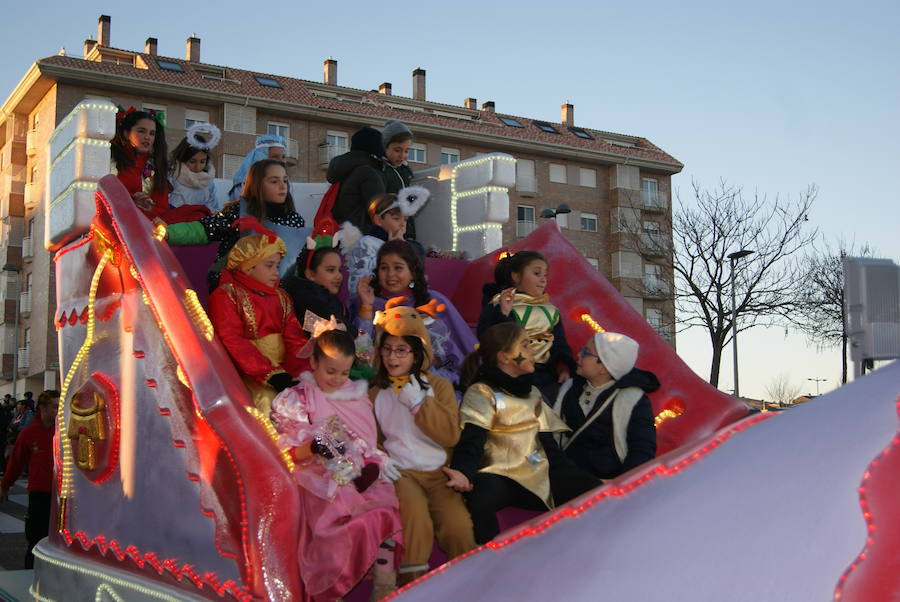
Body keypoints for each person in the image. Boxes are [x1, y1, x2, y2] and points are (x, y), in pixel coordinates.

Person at [271, 329, 402, 601]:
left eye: (344, 372)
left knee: (384, 512)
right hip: (315, 475)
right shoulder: (296, 399)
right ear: (313, 362)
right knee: (335, 521)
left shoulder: (355, 394)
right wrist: (314, 447)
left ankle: (384, 589)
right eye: (330, 371)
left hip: (359, 469)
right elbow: (287, 450)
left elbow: (367, 439)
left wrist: (363, 459)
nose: (338, 379)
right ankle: (332, 592)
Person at [450, 322, 599, 544]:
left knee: (591, 488)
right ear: (504, 357)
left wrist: (571, 475)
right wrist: (463, 471)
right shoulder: (482, 392)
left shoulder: (533, 393)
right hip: (499, 476)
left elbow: (549, 446)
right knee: (480, 499)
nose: (532, 351)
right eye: (525, 345)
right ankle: (490, 558)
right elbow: (472, 439)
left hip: (536, 471)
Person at [370, 299, 476, 584]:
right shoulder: (376, 392)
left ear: (418, 353)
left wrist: (420, 404)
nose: (393, 357)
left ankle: (470, 583)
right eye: (387, 349)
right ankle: (413, 586)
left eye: (401, 350)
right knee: (415, 522)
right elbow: (374, 438)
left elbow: (450, 435)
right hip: (403, 473)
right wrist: (380, 458)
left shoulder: (438, 386)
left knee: (457, 526)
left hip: (440, 472)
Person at [208, 222, 308, 416]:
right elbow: (232, 339)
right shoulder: (227, 294)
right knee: (267, 404)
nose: (276, 272)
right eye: (269, 266)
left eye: (277, 266)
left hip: (284, 370)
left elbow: (294, 337)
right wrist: (269, 373)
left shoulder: (281, 296)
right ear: (248, 267)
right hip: (248, 372)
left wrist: (299, 371)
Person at [351, 240, 477, 385]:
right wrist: (366, 306)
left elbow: (463, 346)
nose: (390, 274)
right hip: (384, 382)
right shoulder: (369, 301)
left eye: (398, 268)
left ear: (413, 272)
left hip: (434, 382)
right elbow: (362, 353)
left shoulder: (434, 301)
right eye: (384, 268)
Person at [165, 159, 309, 281]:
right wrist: (167, 232)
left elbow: (296, 265)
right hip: (233, 290)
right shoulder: (238, 212)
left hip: (274, 295)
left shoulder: (295, 221)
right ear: (257, 184)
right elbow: (204, 229)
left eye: (285, 180)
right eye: (274, 181)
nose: (283, 186)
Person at [553, 332, 658, 480]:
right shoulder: (569, 389)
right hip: (566, 481)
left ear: (605, 367)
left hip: (608, 484)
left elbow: (642, 450)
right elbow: (553, 435)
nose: (578, 355)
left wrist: (620, 485)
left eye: (586, 352)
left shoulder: (633, 400)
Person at [477, 251, 576, 401]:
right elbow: (489, 339)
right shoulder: (499, 304)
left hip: (545, 379)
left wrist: (563, 366)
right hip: (508, 378)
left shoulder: (551, 310)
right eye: (537, 273)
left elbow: (559, 342)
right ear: (516, 276)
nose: (543, 280)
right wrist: (504, 315)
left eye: (545, 275)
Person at [110, 108, 209, 224]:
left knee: (200, 214)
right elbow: (105, 197)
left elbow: (162, 207)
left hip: (152, 218)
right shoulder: (112, 160)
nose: (147, 137)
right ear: (126, 134)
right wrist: (132, 201)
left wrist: (148, 207)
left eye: (152, 133)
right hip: (121, 217)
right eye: (141, 131)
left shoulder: (155, 164)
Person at [1, 390, 59, 568]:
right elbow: (16, 463)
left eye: (60, 407)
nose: (58, 411)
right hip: (40, 494)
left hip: (63, 495)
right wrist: (4, 485)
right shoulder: (29, 433)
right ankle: (31, 573)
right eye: (55, 407)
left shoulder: (64, 433)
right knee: (36, 540)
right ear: (42, 407)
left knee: (60, 544)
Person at [346, 187, 429, 293]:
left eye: (405, 220)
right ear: (378, 220)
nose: (402, 224)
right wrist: (391, 249)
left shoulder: (414, 247)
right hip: (374, 299)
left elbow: (418, 277)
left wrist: (403, 248)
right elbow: (362, 277)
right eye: (396, 218)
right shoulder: (366, 243)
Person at [326, 126, 386, 231]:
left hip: (342, 232)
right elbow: (381, 212)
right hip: (363, 235)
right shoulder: (368, 174)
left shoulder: (346, 171)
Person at [167, 122, 222, 213]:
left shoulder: (208, 182)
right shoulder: (171, 177)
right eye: (192, 161)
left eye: (202, 161)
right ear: (182, 158)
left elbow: (213, 208)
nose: (198, 167)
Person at [380, 120, 417, 239]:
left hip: (404, 232)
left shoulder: (405, 172)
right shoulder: (382, 171)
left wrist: (410, 235)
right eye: (397, 150)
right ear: (385, 147)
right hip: (388, 234)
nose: (402, 155)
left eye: (406, 151)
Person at [228, 134, 287, 202]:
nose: (281, 161)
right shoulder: (244, 188)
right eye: (275, 157)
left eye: (283, 157)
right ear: (261, 158)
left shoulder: (284, 185)